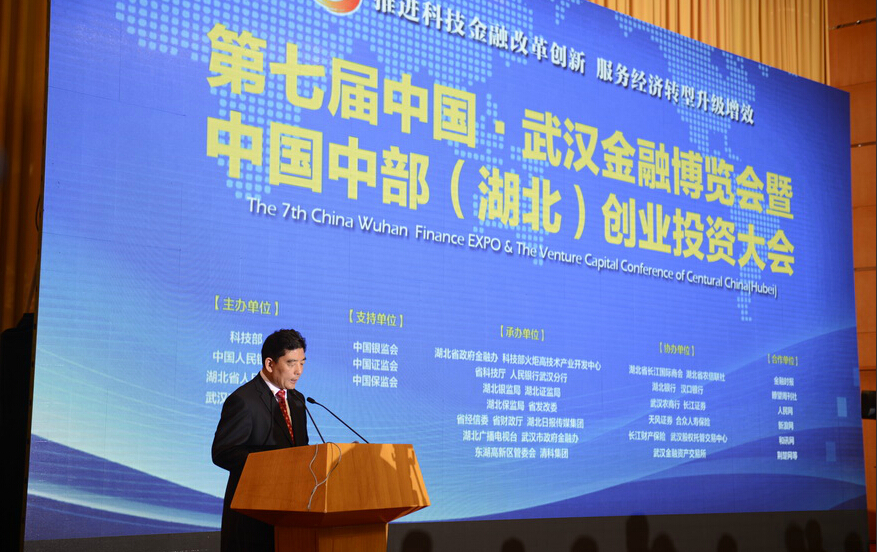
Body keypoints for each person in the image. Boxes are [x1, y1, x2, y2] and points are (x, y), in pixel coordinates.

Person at [212, 328, 310, 552]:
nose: (299, 371)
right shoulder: (243, 400)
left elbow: (299, 450)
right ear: (270, 364)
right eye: (291, 363)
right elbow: (223, 452)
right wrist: (272, 463)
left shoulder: (297, 400)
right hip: (252, 519)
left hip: (291, 514)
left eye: (302, 363)